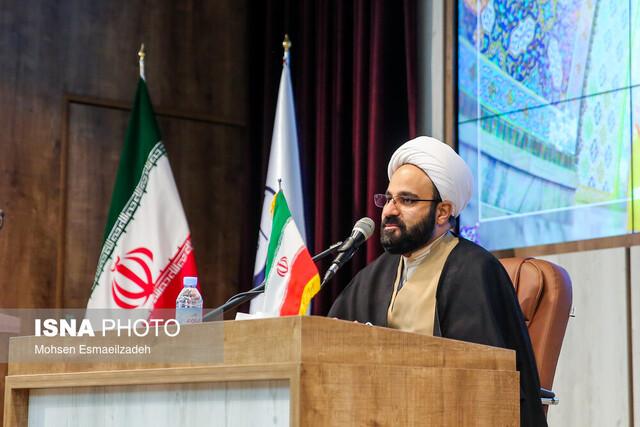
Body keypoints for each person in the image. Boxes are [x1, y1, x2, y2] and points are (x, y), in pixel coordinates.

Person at [328, 136, 547, 427]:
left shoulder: (474, 271)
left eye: (406, 200)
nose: (390, 210)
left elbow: (484, 384)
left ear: (443, 212)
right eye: (388, 199)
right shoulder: (374, 276)